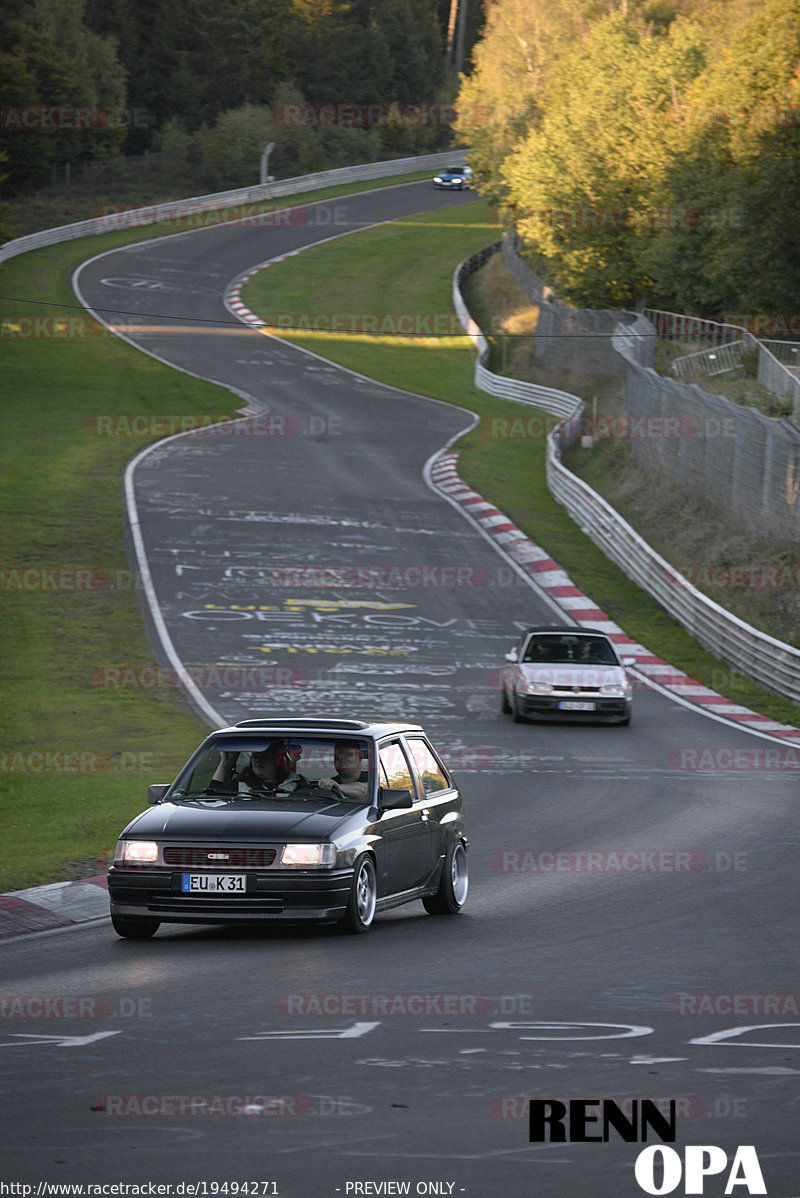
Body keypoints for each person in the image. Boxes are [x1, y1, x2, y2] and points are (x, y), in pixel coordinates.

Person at [211, 740, 304, 795]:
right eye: (255, 757)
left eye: (265, 757)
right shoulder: (240, 785)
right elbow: (212, 799)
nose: (258, 761)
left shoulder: (296, 786)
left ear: (276, 761)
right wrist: (225, 763)